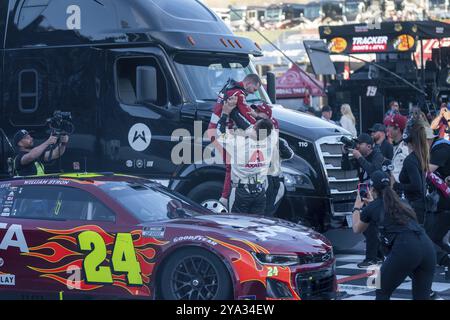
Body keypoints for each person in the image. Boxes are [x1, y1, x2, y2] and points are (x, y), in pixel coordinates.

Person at [352, 170, 436, 300]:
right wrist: (371, 205)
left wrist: (357, 207)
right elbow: (385, 213)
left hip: (406, 248)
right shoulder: (403, 202)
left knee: (381, 290)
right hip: (427, 247)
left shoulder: (372, 207)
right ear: (390, 185)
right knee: (421, 296)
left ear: (372, 189)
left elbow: (357, 228)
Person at [207, 74, 262, 207]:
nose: (254, 92)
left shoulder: (229, 88)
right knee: (231, 166)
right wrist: (260, 123)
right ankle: (225, 199)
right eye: (254, 89)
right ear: (249, 83)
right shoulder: (238, 93)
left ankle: (226, 197)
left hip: (214, 130)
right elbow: (246, 113)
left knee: (230, 165)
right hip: (219, 132)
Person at [216, 101, 277, 214]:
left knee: (237, 226)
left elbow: (219, 134)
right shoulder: (271, 140)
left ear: (254, 128)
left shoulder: (238, 142)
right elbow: (270, 127)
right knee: (256, 227)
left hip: (241, 192)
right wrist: (256, 116)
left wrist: (225, 113)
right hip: (260, 193)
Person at [342, 133, 384, 267]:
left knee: (370, 226)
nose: (357, 146)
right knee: (366, 227)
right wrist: (344, 154)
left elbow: (374, 171)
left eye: (360, 143)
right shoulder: (360, 157)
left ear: (369, 146)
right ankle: (377, 255)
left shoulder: (377, 155)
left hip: (376, 194)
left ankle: (371, 258)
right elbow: (346, 167)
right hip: (364, 192)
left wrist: (359, 157)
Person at [396, 120, 429, 225]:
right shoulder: (420, 156)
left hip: (414, 206)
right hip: (420, 205)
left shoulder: (410, 160)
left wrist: (398, 186)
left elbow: (416, 186)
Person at [427, 127, 450, 268]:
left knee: (433, 237)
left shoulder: (441, 148)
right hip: (443, 202)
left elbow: (427, 170)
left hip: (446, 203)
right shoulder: (439, 147)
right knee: (435, 237)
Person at [384, 114, 409, 185]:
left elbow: (396, 179)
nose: (387, 128)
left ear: (397, 129)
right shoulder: (397, 145)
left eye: (390, 126)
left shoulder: (403, 149)